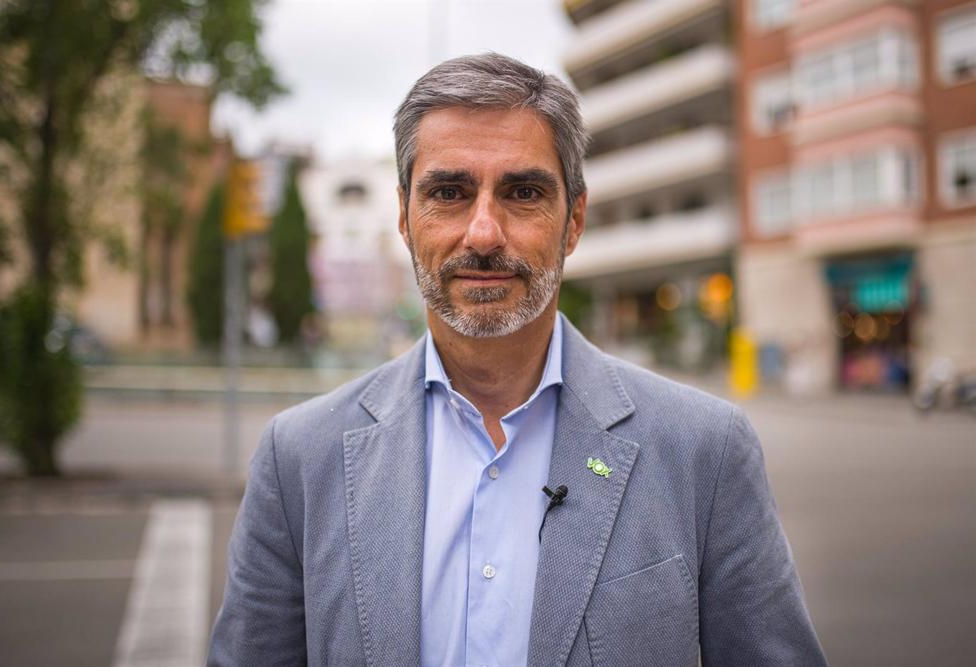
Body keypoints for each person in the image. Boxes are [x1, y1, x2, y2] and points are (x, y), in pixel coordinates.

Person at [208, 53, 827, 666]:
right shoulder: (298, 460)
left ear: (574, 221)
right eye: (448, 192)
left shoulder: (704, 452)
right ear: (403, 217)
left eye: (523, 192)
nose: (483, 233)